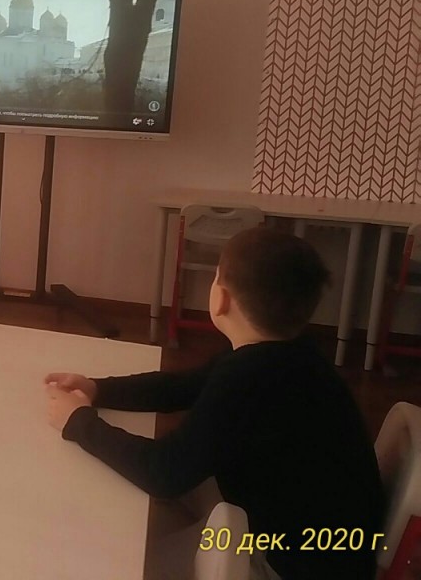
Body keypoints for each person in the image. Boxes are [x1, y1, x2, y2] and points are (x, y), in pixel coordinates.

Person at [44, 227, 383, 580]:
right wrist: (98, 389)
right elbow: (183, 387)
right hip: (335, 544)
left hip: (294, 566)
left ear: (220, 298)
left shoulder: (249, 379)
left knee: (125, 544)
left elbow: (165, 473)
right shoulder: (289, 352)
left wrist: (78, 422)